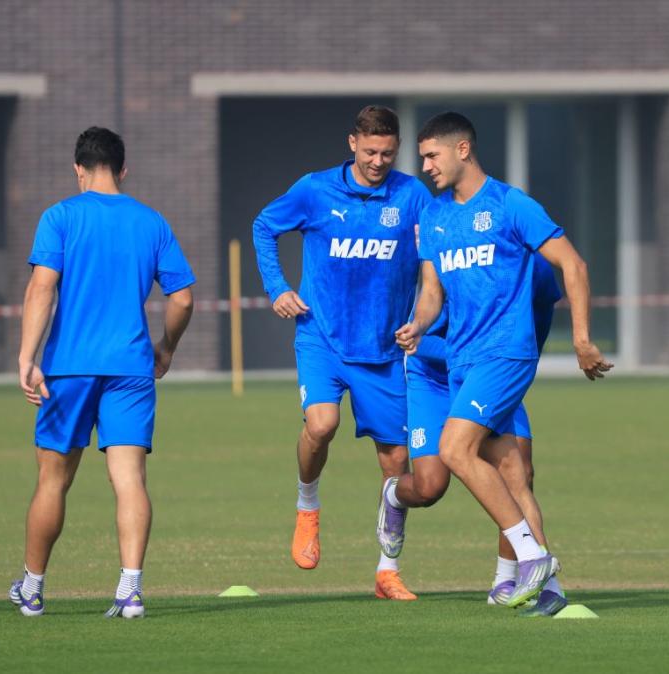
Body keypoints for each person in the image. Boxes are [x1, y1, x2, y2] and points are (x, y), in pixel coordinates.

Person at [396, 112, 612, 610]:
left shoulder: (510, 204)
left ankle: (531, 556)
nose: (424, 165)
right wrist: (419, 324)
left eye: (432, 155)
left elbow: (572, 264)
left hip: (505, 354)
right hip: (461, 360)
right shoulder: (433, 216)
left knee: (453, 449)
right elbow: (431, 291)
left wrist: (581, 339)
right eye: (422, 156)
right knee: (515, 474)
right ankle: (547, 589)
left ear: (463, 150)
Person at [10, 127, 195, 619]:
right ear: (123, 169)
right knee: (129, 478)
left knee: (53, 481)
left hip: (67, 369)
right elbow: (182, 297)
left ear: (78, 169)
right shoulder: (151, 222)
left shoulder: (61, 217)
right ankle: (130, 590)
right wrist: (167, 347)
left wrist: (27, 358)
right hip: (131, 368)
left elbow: (41, 290)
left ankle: (32, 589)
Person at [252, 105, 431, 600]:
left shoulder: (412, 195)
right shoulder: (314, 189)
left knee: (397, 463)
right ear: (352, 143)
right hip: (322, 339)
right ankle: (307, 506)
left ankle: (387, 570)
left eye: (389, 154)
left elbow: (436, 254)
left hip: (384, 351)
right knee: (321, 424)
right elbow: (264, 226)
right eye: (371, 151)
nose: (379, 162)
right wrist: (277, 288)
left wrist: (422, 319)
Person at [378, 252, 567, 616]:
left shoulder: (534, 264)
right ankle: (394, 495)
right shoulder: (451, 251)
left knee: (519, 474)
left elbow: (543, 309)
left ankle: (512, 582)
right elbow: (413, 340)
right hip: (434, 376)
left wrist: (518, 363)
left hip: (490, 373)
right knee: (430, 485)